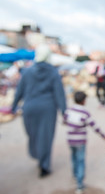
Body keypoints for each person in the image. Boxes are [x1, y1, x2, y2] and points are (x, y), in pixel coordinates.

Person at [11, 44, 67, 177]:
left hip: (29, 108)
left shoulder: (27, 71)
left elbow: (19, 91)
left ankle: (38, 157)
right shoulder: (53, 72)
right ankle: (44, 164)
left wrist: (13, 106)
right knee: (45, 137)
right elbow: (59, 94)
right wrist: (64, 112)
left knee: (34, 135)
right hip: (47, 109)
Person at [63, 91, 105, 194]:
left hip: (70, 140)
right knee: (81, 161)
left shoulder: (69, 110)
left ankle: (75, 175)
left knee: (73, 158)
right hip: (80, 141)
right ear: (83, 101)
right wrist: (103, 135)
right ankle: (79, 185)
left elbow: (64, 121)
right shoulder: (85, 113)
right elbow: (94, 126)